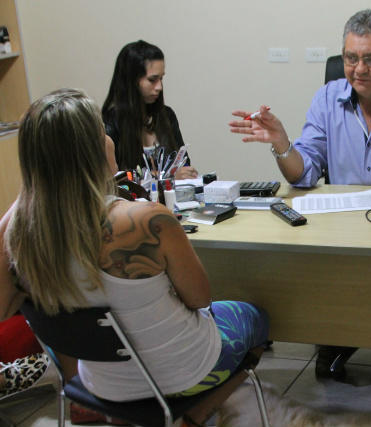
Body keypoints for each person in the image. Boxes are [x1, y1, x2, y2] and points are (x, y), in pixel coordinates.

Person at [1, 88, 269, 427]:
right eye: (102, 133)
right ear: (92, 151)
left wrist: (34, 186)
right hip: (182, 374)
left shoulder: (22, 240)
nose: (110, 140)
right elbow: (200, 298)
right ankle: (194, 418)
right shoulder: (147, 220)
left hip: (102, 385)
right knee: (256, 318)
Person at [229, 8, 371, 379]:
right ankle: (335, 331)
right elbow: (303, 173)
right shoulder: (328, 99)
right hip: (342, 228)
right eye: (351, 58)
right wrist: (281, 144)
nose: (358, 69)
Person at [103, 40, 198, 180]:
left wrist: (187, 174)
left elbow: (184, 165)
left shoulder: (167, 115)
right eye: (152, 79)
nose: (159, 86)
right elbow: (113, 180)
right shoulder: (110, 124)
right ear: (131, 80)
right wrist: (167, 178)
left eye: (161, 79)